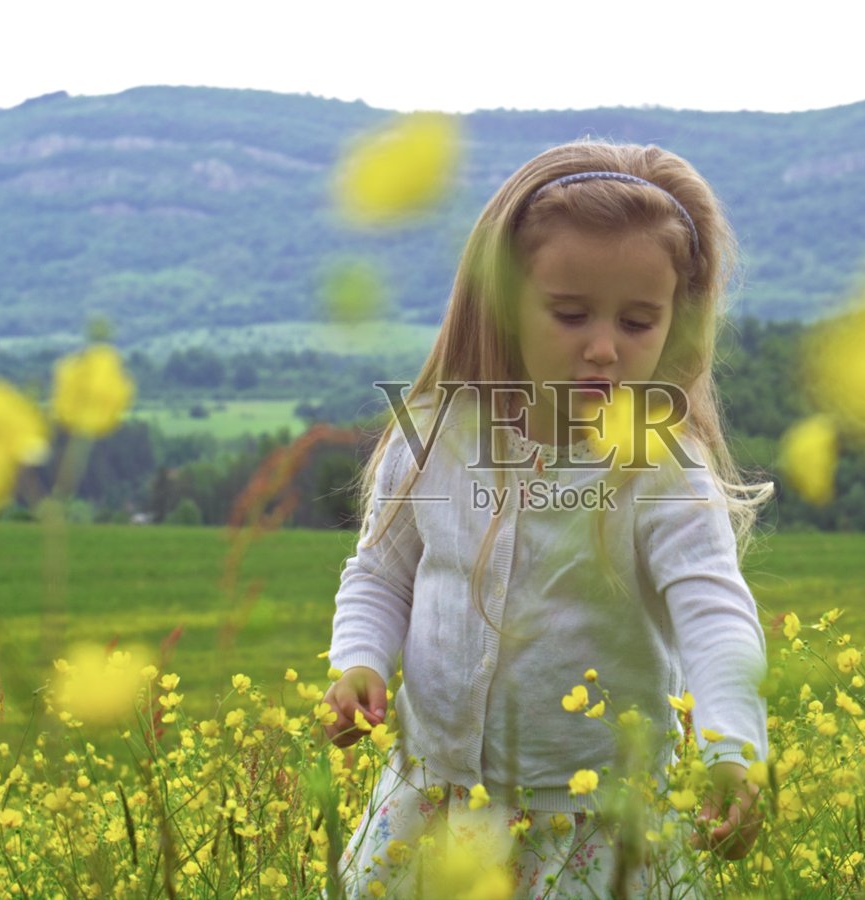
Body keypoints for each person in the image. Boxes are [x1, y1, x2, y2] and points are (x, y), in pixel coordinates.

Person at [323, 139, 774, 899]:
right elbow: (379, 574)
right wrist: (359, 661)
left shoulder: (661, 463)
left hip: (592, 828)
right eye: (570, 314)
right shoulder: (433, 436)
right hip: (429, 808)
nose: (603, 349)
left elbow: (715, 612)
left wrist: (734, 749)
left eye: (639, 322)